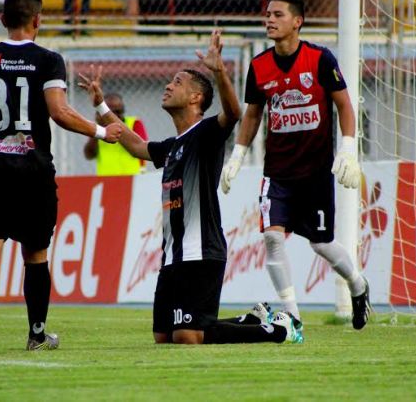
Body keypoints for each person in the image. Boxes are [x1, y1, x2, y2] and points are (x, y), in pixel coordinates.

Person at [79, 29, 300, 344]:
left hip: (202, 252)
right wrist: (101, 106)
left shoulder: (207, 134)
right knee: (163, 336)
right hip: (172, 255)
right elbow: (135, 145)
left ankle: (279, 330)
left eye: (178, 82)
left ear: (197, 98)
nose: (168, 85)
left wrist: (219, 71)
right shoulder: (172, 146)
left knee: (187, 335)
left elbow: (235, 112)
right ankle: (248, 320)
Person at [0, 0, 122, 353]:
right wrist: (100, 130)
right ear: (38, 20)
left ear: (3, 20)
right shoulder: (48, 60)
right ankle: (37, 334)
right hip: (34, 170)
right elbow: (59, 112)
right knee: (35, 255)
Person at [220, 0, 371, 338]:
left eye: (277, 14)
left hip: (316, 172)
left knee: (320, 244)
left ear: (297, 22)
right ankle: (292, 318)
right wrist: (238, 154)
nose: (269, 20)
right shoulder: (259, 66)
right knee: (272, 240)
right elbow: (253, 114)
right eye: (267, 14)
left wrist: (347, 149)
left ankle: (358, 284)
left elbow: (345, 106)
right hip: (278, 174)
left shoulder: (320, 59)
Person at [83, 92, 149, 175]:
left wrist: (116, 128)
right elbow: (89, 155)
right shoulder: (99, 128)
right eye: (112, 112)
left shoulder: (135, 123)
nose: (116, 115)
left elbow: (142, 149)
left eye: (119, 111)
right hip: (106, 179)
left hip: (132, 178)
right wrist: (99, 128)